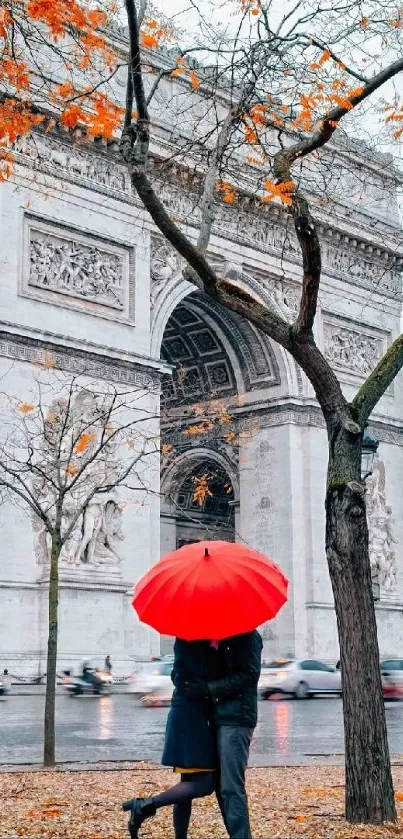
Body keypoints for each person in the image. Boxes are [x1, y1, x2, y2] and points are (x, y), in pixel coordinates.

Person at [122, 638, 217, 839]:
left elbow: (177, 673)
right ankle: (145, 805)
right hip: (193, 718)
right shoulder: (199, 642)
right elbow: (197, 677)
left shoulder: (183, 637)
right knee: (204, 784)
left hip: (184, 714)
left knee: (186, 784)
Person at [183, 630, 263, 839]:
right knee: (221, 788)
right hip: (221, 716)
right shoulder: (222, 639)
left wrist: (209, 688)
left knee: (231, 788)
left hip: (237, 718)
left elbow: (249, 675)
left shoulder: (249, 636)